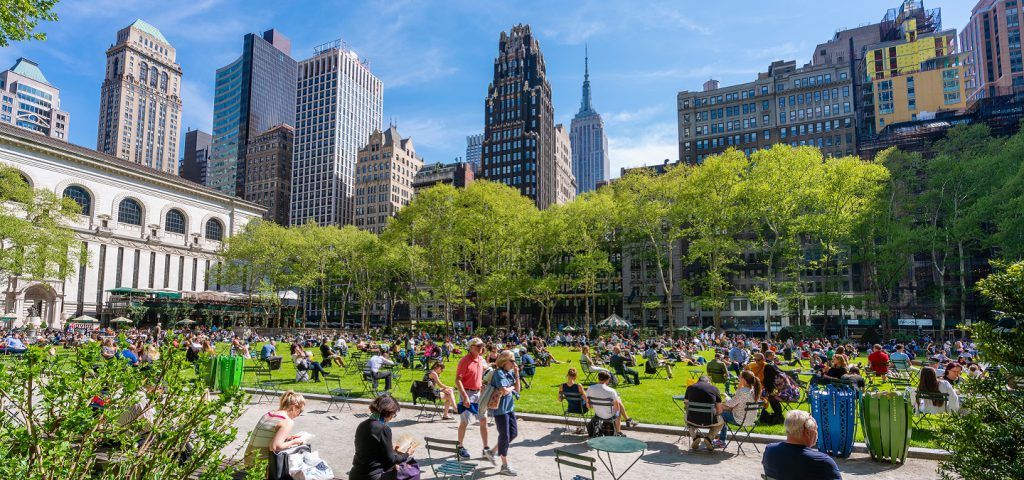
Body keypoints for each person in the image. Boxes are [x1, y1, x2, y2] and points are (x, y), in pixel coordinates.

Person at [350, 395, 416, 480]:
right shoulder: (383, 428)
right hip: (372, 476)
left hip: (355, 473)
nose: (392, 417)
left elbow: (370, 451)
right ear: (389, 412)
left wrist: (393, 451)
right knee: (412, 470)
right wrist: (407, 454)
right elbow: (390, 460)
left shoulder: (362, 425)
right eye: (394, 414)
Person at [762, 410, 842, 480]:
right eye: (816, 429)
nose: (817, 433)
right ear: (808, 432)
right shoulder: (823, 462)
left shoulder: (770, 451)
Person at [243, 390, 307, 469]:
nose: (298, 415)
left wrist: (288, 438)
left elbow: (267, 435)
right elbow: (275, 447)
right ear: (294, 407)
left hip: (248, 460)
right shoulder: (287, 421)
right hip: (259, 466)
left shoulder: (269, 414)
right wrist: (294, 442)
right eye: (300, 411)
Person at [455, 338, 493, 461]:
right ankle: (460, 447)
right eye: (477, 346)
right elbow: (457, 380)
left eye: (481, 346)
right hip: (467, 393)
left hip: (479, 394)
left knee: (483, 420)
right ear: (470, 347)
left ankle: (486, 449)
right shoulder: (464, 361)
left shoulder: (481, 359)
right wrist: (465, 396)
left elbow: (486, 369)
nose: (480, 348)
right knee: (465, 422)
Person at [488, 350, 521, 476]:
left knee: (513, 433)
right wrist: (511, 387)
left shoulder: (509, 373)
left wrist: (517, 375)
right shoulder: (499, 373)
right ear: (504, 361)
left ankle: (492, 452)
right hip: (500, 410)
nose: (514, 363)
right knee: (505, 436)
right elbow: (504, 390)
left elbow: (518, 389)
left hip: (509, 408)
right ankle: (504, 465)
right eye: (512, 361)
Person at [717, 370, 762, 448]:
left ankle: (721, 440)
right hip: (750, 419)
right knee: (721, 408)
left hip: (739, 419)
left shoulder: (742, 391)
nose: (738, 378)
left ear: (744, 379)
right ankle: (720, 439)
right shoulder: (754, 390)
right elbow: (734, 402)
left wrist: (725, 399)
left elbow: (730, 404)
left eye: (740, 377)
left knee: (719, 410)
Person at [585, 371, 638, 435]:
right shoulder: (611, 391)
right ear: (608, 379)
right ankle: (619, 431)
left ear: (598, 378)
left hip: (598, 414)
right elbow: (617, 408)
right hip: (609, 416)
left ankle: (628, 420)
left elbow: (588, 406)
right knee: (618, 409)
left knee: (618, 401)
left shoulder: (590, 388)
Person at [684, 375, 724, 450]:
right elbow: (720, 410)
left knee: (686, 416)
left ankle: (695, 437)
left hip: (693, 420)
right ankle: (709, 438)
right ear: (708, 381)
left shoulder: (690, 388)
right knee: (721, 422)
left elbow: (686, 405)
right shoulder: (715, 389)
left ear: (698, 381)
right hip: (710, 421)